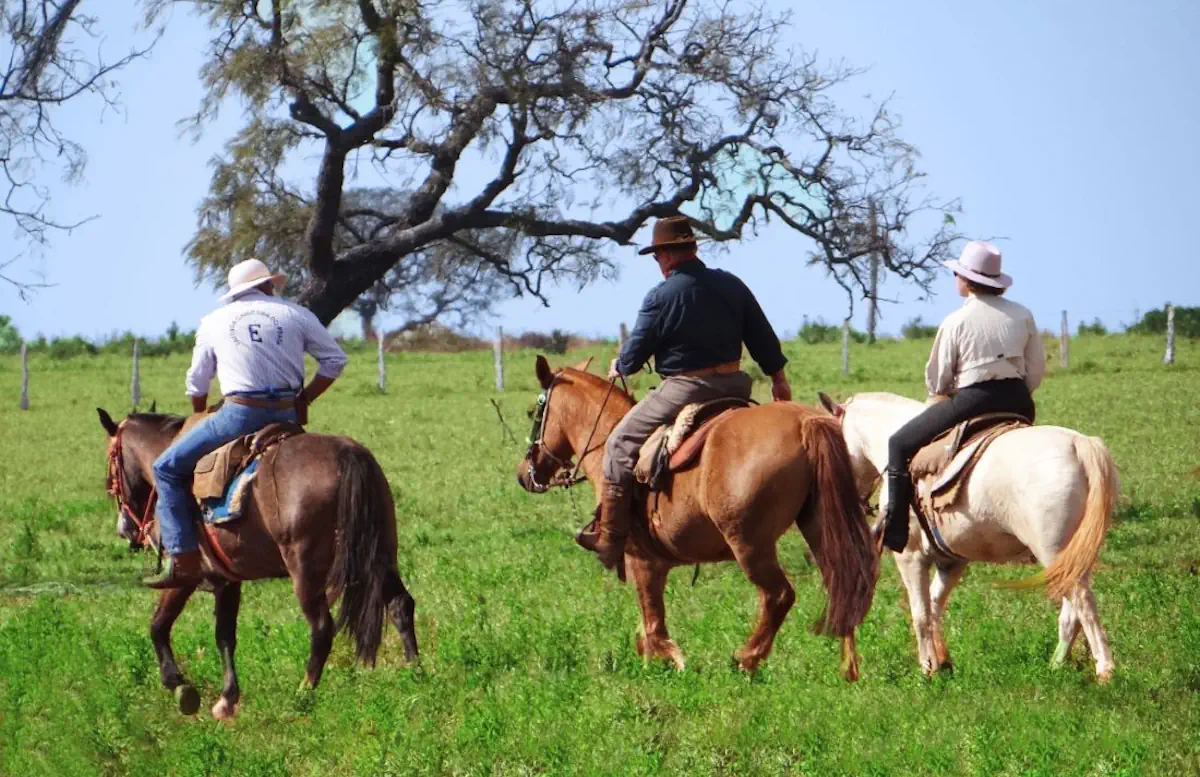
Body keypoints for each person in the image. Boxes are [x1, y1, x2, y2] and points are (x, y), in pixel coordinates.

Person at [577, 215, 793, 570]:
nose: (657, 263)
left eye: (657, 255)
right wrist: (779, 380)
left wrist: (622, 365)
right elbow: (762, 338)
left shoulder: (661, 296)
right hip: (736, 384)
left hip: (684, 389)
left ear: (666, 254)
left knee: (618, 445)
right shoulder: (732, 285)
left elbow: (634, 354)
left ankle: (611, 538)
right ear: (692, 249)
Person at [144, 259, 349, 589]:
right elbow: (335, 360)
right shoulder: (295, 314)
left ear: (236, 292)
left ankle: (182, 558)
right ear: (267, 285)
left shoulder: (214, 321)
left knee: (166, 467)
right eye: (272, 284)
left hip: (238, 415)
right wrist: (305, 398)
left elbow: (197, 382)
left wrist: (199, 413)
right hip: (286, 414)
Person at [879, 240, 1045, 552]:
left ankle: (897, 533)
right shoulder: (1023, 315)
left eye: (957, 274)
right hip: (1020, 401)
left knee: (897, 444)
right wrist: (1015, 392)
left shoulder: (956, 321)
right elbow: (1036, 368)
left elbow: (938, 380)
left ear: (966, 281)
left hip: (973, 399)